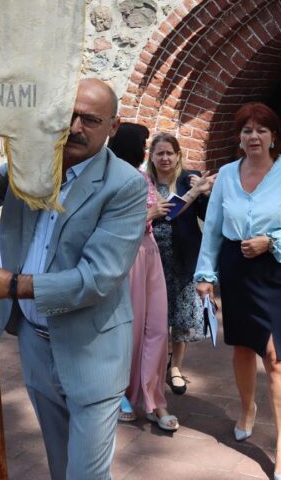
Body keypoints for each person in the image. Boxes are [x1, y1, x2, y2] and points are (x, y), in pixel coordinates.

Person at [0, 78, 147, 480]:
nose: (76, 127)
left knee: (85, 475)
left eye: (90, 119)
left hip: (92, 350)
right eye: (69, 116)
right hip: (35, 343)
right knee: (59, 466)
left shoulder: (125, 186)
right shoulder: (32, 166)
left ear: (113, 126)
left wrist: (12, 285)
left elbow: (96, 278)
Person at [195, 103, 281, 480]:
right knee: (243, 346)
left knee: (277, 357)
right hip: (236, 268)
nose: (253, 137)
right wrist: (205, 273)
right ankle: (248, 408)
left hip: (275, 270)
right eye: (247, 130)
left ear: (273, 136)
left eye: (261, 130)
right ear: (239, 137)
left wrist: (272, 241)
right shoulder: (226, 175)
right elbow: (212, 226)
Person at [107, 123, 179, 432]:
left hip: (149, 251)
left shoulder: (142, 176)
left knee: (158, 327)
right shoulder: (109, 177)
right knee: (132, 330)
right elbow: (109, 223)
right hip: (128, 254)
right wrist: (149, 214)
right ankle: (121, 394)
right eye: (143, 143)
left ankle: (154, 398)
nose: (145, 150)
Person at [147, 133, 215, 395]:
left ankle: (175, 367)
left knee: (181, 316)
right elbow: (165, 212)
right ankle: (155, 364)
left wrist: (205, 194)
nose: (165, 158)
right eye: (160, 153)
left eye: (169, 153)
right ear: (152, 156)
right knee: (155, 316)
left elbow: (209, 216)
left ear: (178, 156)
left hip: (183, 256)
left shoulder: (190, 179)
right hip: (152, 258)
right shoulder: (145, 182)